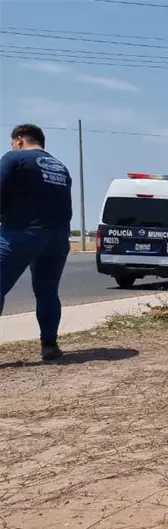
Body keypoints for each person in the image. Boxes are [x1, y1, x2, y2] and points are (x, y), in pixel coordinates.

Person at [0, 124, 72, 361]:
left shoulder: (15, 158)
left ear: (19, 140)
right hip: (58, 238)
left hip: (22, 233)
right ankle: (50, 346)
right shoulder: (61, 168)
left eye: (12, 143)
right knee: (47, 293)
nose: (11, 147)